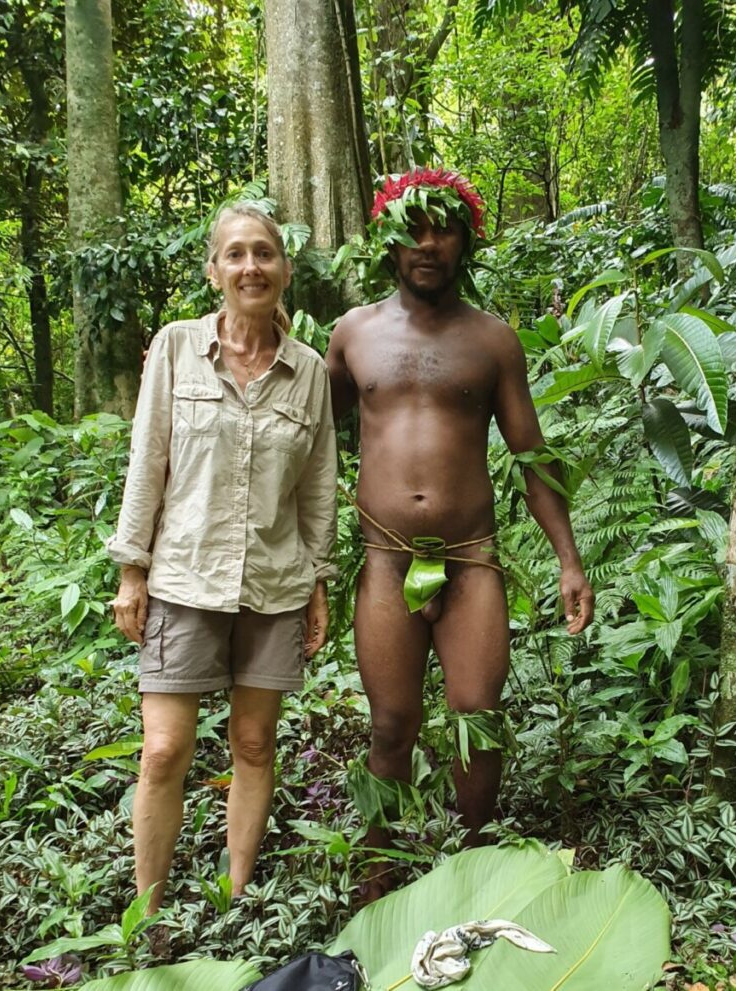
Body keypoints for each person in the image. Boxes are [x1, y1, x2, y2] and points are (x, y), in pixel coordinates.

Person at [326, 168, 594, 899]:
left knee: (478, 714)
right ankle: (377, 876)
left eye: (444, 230)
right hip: (385, 560)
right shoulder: (352, 335)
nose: (428, 244)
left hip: (472, 561)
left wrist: (569, 559)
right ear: (388, 240)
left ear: (466, 241)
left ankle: (474, 863)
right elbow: (304, 426)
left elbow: (532, 456)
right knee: (391, 724)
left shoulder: (492, 341)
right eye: (413, 229)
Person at [107, 203, 337, 914]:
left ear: (285, 269)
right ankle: (147, 914)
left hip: (274, 584)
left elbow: (317, 486)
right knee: (163, 750)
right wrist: (132, 570)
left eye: (263, 252)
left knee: (255, 742)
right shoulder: (177, 348)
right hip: (185, 577)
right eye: (235, 254)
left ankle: (235, 898)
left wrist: (318, 581)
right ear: (214, 271)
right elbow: (148, 460)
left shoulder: (309, 371)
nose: (250, 266)